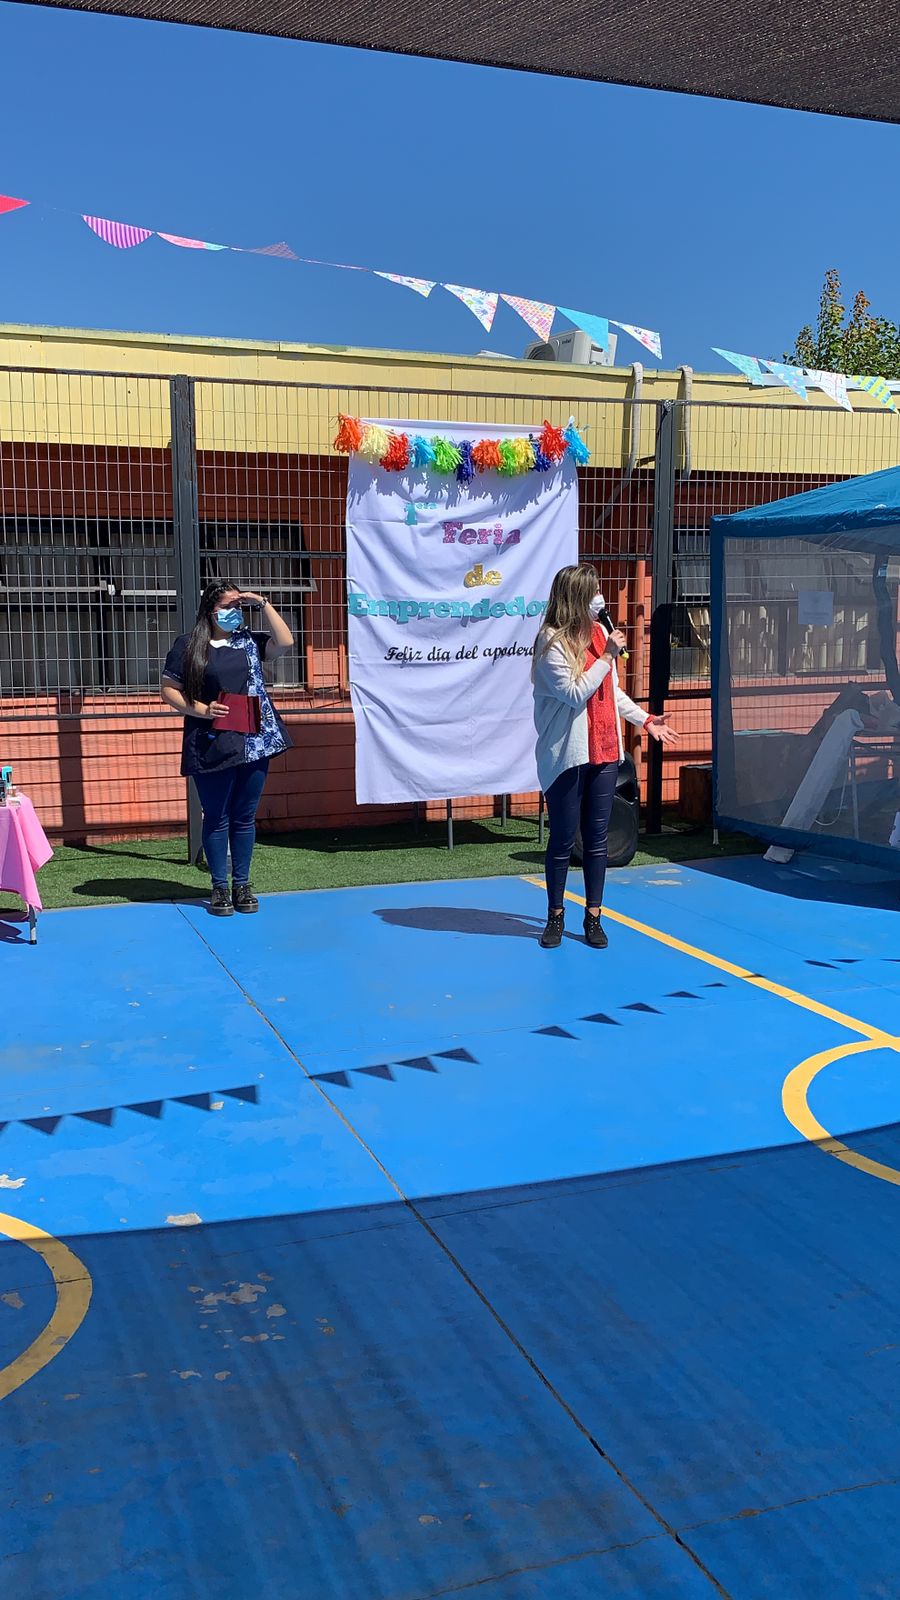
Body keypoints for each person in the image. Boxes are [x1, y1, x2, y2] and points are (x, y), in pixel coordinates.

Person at [532, 563, 678, 949]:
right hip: (567, 755)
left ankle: (594, 916)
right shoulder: (551, 642)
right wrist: (608, 656)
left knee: (597, 838)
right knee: (564, 838)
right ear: (576, 598)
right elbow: (575, 692)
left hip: (605, 749)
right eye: (593, 591)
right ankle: (555, 915)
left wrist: (645, 719)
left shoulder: (599, 633)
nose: (600, 598)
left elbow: (610, 692)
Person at [161, 580, 294, 917]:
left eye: (238, 606)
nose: (235, 612)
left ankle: (242, 884)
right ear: (210, 609)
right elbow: (169, 689)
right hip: (211, 741)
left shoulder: (248, 641)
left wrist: (262, 602)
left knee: (245, 816)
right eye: (227, 606)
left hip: (254, 740)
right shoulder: (188, 645)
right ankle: (219, 885)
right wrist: (202, 710)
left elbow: (285, 642)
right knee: (217, 815)